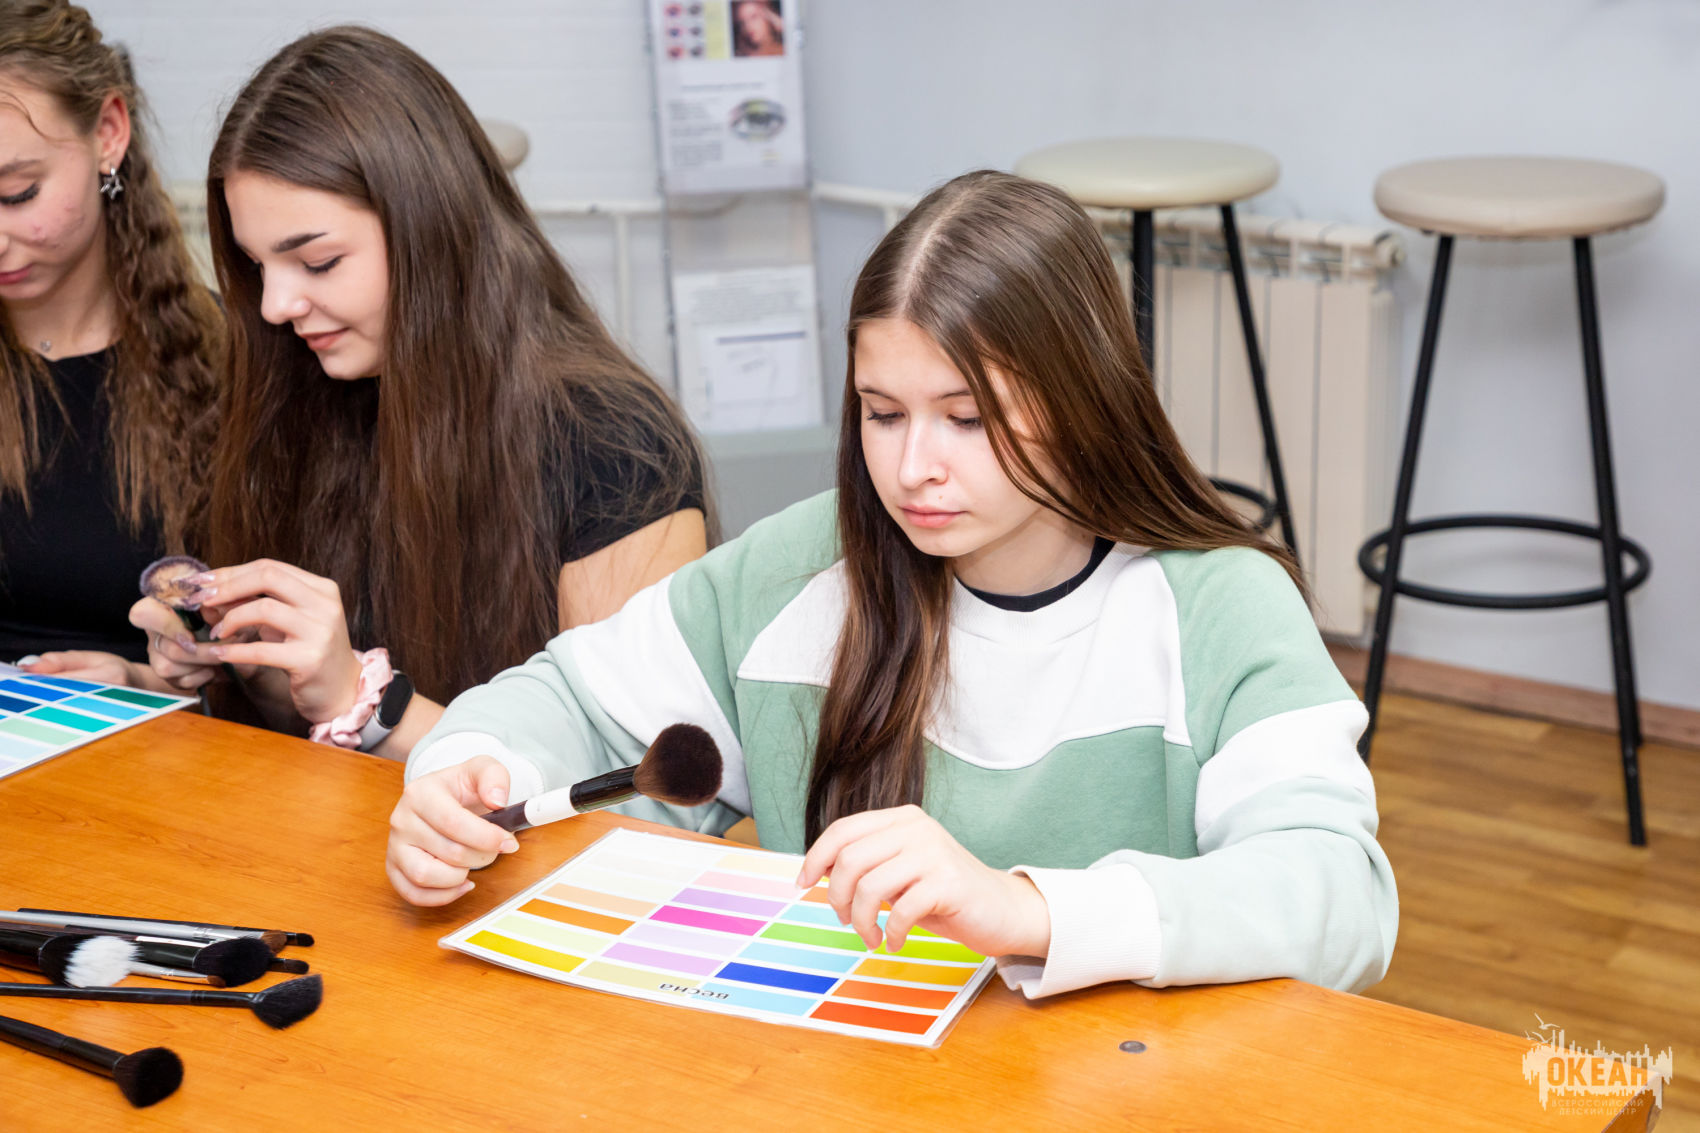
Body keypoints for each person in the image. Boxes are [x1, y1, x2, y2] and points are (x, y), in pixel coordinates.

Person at [387, 170, 1396, 998]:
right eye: (881, 412)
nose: (914, 467)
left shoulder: (1219, 602)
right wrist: (468, 770)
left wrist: (1024, 908)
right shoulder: (801, 566)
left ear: (1084, 397)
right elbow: (570, 699)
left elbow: (1337, 893)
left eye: (966, 418)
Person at [131, 27, 710, 760]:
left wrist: (366, 703)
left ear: (430, 231)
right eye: (256, 267)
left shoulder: (612, 442)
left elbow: (632, 781)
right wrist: (246, 663)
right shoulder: (309, 394)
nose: (275, 305)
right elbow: (304, 728)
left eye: (319, 261)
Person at [0, 0, 221, 686]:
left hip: (142, 738)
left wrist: (144, 684)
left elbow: (271, 675)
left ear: (107, 134)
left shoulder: (229, 364)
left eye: (18, 194)